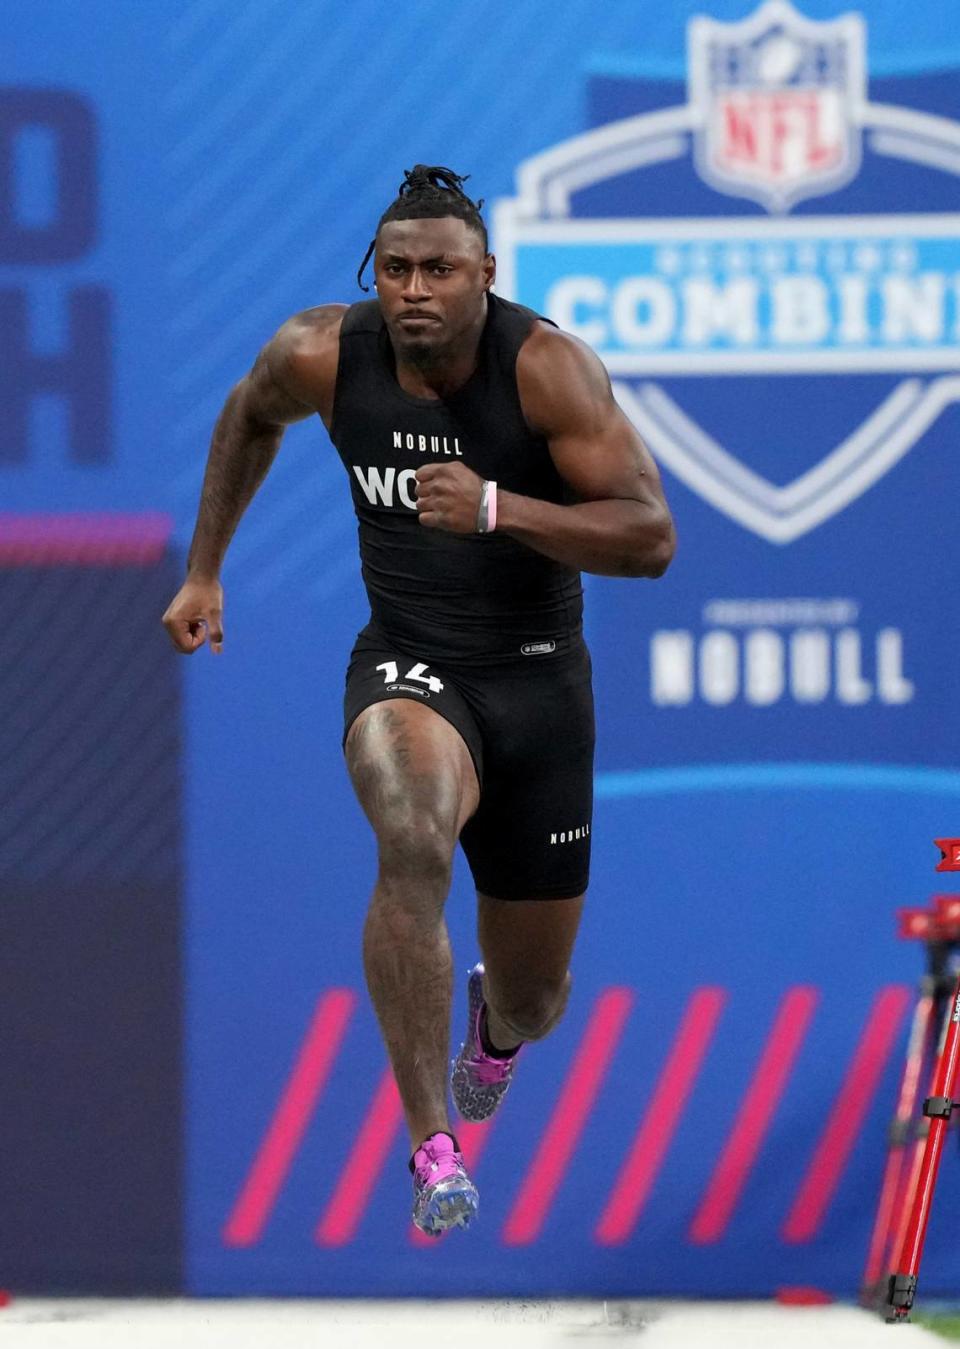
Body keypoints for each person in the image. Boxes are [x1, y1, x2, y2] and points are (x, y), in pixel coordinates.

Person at [162, 165, 675, 1238]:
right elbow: (249, 417)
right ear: (373, 275)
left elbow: (649, 536)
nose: (415, 290)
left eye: (440, 269)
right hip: (409, 664)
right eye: (395, 269)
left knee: (539, 998)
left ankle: (493, 1026)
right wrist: (206, 567)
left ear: (486, 274)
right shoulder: (322, 351)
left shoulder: (547, 371)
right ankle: (433, 1141)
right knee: (413, 829)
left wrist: (497, 506)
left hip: (538, 683)